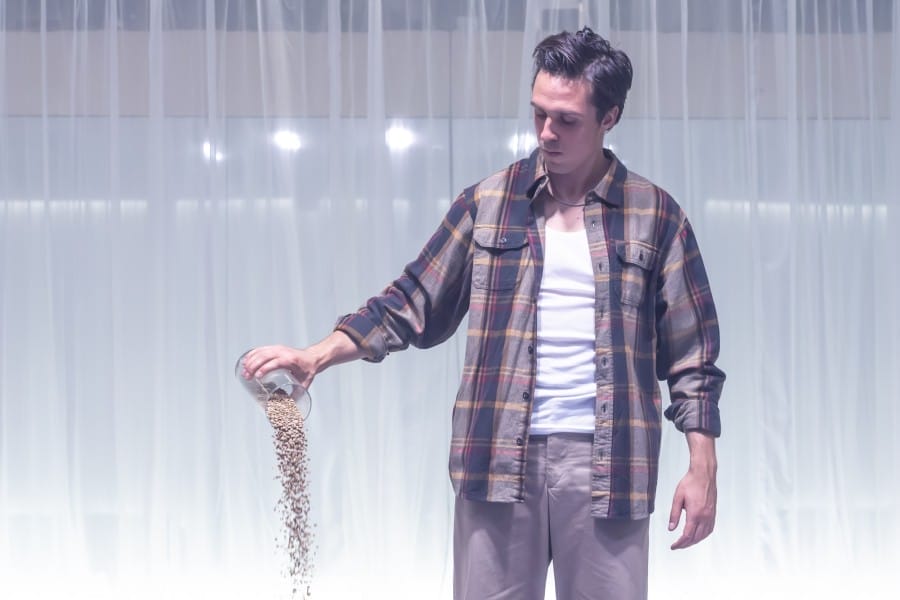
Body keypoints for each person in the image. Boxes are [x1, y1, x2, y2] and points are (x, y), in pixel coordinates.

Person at [242, 27, 724, 600]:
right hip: (496, 456)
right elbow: (411, 300)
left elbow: (692, 352)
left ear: (609, 117)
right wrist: (316, 354)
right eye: (538, 113)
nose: (547, 132)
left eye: (566, 120)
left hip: (611, 463)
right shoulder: (489, 203)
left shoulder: (655, 214)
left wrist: (703, 465)